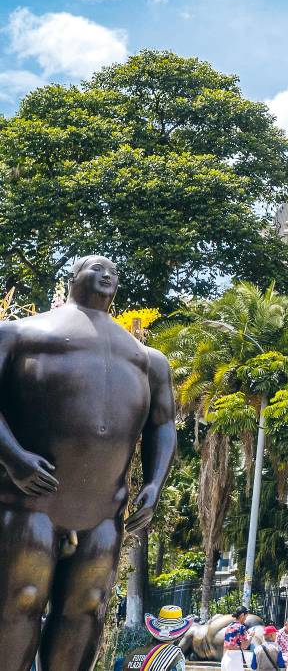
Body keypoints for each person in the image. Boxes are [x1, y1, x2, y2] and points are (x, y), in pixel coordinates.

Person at [0, 255, 177, 671]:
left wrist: (154, 483)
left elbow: (163, 426)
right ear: (72, 277)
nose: (106, 273)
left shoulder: (148, 359)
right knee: (19, 597)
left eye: (113, 270)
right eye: (95, 268)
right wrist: (14, 458)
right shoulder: (18, 334)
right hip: (29, 500)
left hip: (102, 509)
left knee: (88, 606)